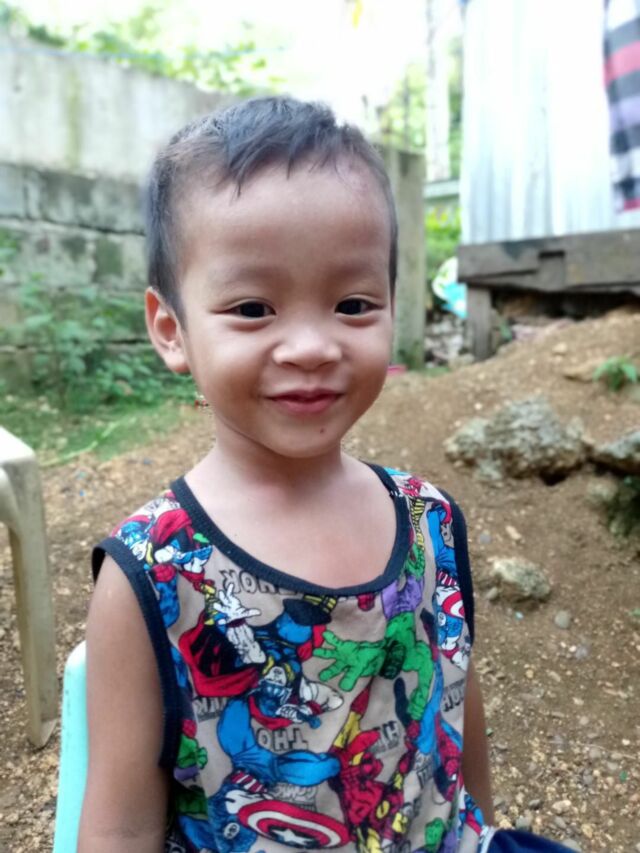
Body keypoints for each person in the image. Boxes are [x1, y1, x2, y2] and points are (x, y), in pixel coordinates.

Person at [79, 96, 571, 853]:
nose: (311, 345)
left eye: (352, 303)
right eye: (253, 307)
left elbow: (452, 709)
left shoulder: (431, 521)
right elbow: (121, 824)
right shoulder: (153, 575)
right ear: (173, 331)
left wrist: (483, 826)